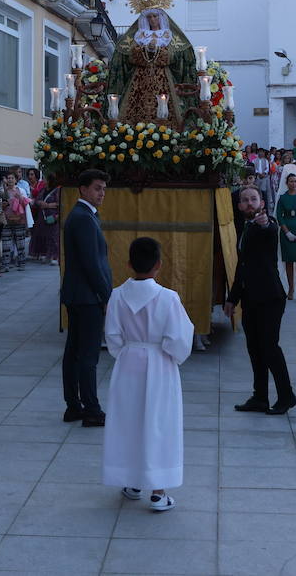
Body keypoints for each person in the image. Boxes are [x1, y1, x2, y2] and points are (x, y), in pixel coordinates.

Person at [103, 236, 194, 513]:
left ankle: (131, 481)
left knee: (129, 421)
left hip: (129, 361)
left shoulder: (117, 295)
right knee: (158, 423)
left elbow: (113, 337)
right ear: (159, 265)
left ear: (129, 264)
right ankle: (158, 491)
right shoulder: (168, 298)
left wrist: (129, 352)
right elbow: (178, 340)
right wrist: (169, 355)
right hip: (160, 363)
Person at [225, 186, 296, 415]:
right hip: (250, 298)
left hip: (270, 298)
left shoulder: (268, 223)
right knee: (254, 349)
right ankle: (260, 397)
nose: (249, 203)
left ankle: (286, 397)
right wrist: (232, 298)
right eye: (245, 200)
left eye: (254, 199)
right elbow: (242, 266)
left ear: (262, 203)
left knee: (269, 348)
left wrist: (263, 223)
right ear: (238, 206)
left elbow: (268, 229)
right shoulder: (243, 228)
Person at [62, 169, 113, 426]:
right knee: (87, 355)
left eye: (103, 189)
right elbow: (91, 263)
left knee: (74, 352)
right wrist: (106, 295)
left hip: (80, 294)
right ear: (82, 189)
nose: (101, 193)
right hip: (86, 296)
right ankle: (91, 409)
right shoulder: (82, 217)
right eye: (97, 188)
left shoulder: (85, 215)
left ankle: (74, 405)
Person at [276, 168, 296, 299]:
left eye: (295, 181)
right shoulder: (283, 198)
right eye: (291, 181)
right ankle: (290, 289)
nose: (293, 183)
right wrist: (287, 232)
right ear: (286, 182)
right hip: (286, 232)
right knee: (289, 262)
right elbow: (279, 216)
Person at [0, 172, 31, 271]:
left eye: (12, 178)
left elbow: (26, 204)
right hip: (6, 221)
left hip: (19, 221)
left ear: (16, 180)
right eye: (8, 178)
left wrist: (20, 197)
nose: (10, 180)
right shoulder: (2, 191)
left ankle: (22, 263)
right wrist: (2, 205)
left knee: (20, 244)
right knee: (6, 244)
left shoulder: (21, 190)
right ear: (6, 180)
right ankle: (5, 265)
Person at [27, 169, 60, 265]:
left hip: (53, 216)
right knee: (43, 235)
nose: (43, 180)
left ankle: (55, 256)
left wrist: (48, 205)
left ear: (50, 180)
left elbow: (59, 203)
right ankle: (45, 255)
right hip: (42, 217)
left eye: (44, 179)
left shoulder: (57, 190)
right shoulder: (43, 190)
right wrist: (40, 203)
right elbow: (37, 201)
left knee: (53, 236)